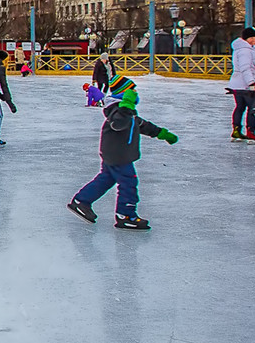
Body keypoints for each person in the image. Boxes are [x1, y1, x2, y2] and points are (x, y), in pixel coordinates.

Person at [67, 76, 177, 230]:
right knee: (128, 182)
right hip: (118, 154)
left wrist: (161, 133)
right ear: (124, 93)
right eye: (132, 90)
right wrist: (126, 106)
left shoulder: (126, 110)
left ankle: (81, 201)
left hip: (115, 153)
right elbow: (118, 124)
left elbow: (141, 124)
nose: (135, 92)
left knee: (106, 179)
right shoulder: (118, 109)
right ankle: (125, 215)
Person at [227, 28, 255, 142]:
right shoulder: (245, 50)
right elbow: (245, 68)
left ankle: (237, 130)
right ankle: (251, 131)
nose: (254, 40)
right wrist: (251, 83)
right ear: (246, 39)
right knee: (252, 108)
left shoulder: (242, 49)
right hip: (245, 84)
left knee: (240, 107)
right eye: (251, 38)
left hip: (237, 84)